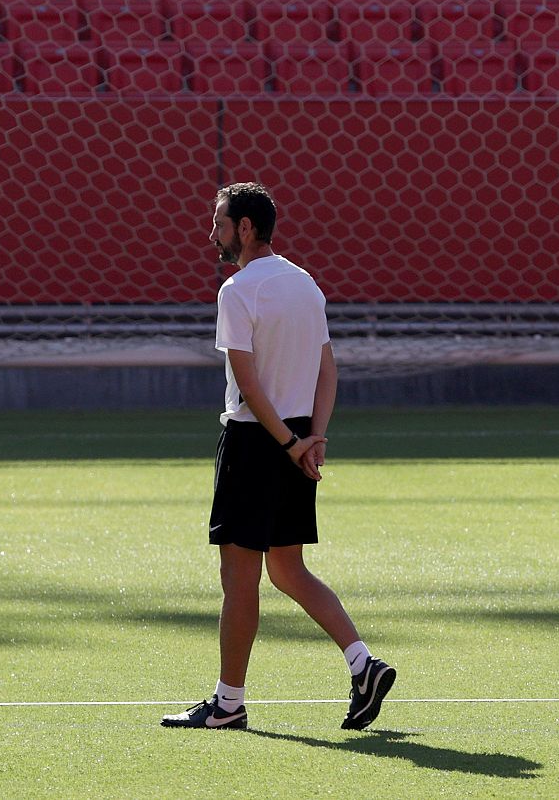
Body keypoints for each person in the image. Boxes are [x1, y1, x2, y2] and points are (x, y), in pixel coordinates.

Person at [162, 182, 396, 733]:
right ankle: (363, 665)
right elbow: (328, 369)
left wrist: (290, 445)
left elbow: (246, 386)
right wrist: (313, 438)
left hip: (255, 440)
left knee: (239, 577)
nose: (211, 232)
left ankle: (228, 703)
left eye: (219, 221)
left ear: (244, 228)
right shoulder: (304, 283)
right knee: (287, 567)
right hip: (295, 437)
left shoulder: (238, 290)